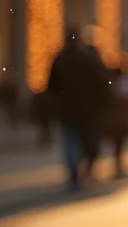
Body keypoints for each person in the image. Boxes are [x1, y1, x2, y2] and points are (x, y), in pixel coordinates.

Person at [45, 28, 110, 191]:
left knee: (70, 142)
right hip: (87, 110)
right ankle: (84, 171)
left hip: (67, 110)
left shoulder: (59, 59)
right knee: (87, 141)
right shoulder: (88, 60)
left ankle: (74, 175)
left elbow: (51, 87)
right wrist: (104, 104)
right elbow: (101, 85)